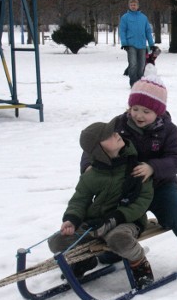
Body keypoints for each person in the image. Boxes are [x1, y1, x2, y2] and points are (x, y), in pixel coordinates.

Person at [81, 73, 177, 273]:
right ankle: (112, 252)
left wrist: (153, 168)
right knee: (112, 218)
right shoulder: (118, 125)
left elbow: (176, 160)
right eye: (135, 109)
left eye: (146, 111)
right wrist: (87, 167)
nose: (139, 115)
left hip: (161, 186)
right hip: (126, 189)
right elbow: (94, 146)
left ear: (159, 112)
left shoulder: (168, 130)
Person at [49, 119, 155, 289]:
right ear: (99, 149)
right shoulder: (92, 174)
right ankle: (85, 260)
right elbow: (80, 199)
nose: (116, 134)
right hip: (96, 223)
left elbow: (143, 200)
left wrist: (114, 218)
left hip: (127, 221)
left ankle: (139, 262)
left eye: (113, 131)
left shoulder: (136, 169)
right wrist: (72, 219)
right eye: (109, 135)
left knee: (118, 239)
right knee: (57, 242)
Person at [119, 0, 155, 87]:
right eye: (131, 5)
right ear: (129, 6)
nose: (133, 7)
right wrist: (124, 43)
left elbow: (148, 31)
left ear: (138, 6)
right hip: (131, 44)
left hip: (142, 44)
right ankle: (133, 82)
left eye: (134, 5)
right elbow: (122, 31)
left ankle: (140, 81)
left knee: (142, 64)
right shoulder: (125, 17)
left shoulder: (143, 17)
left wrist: (151, 44)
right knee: (133, 64)